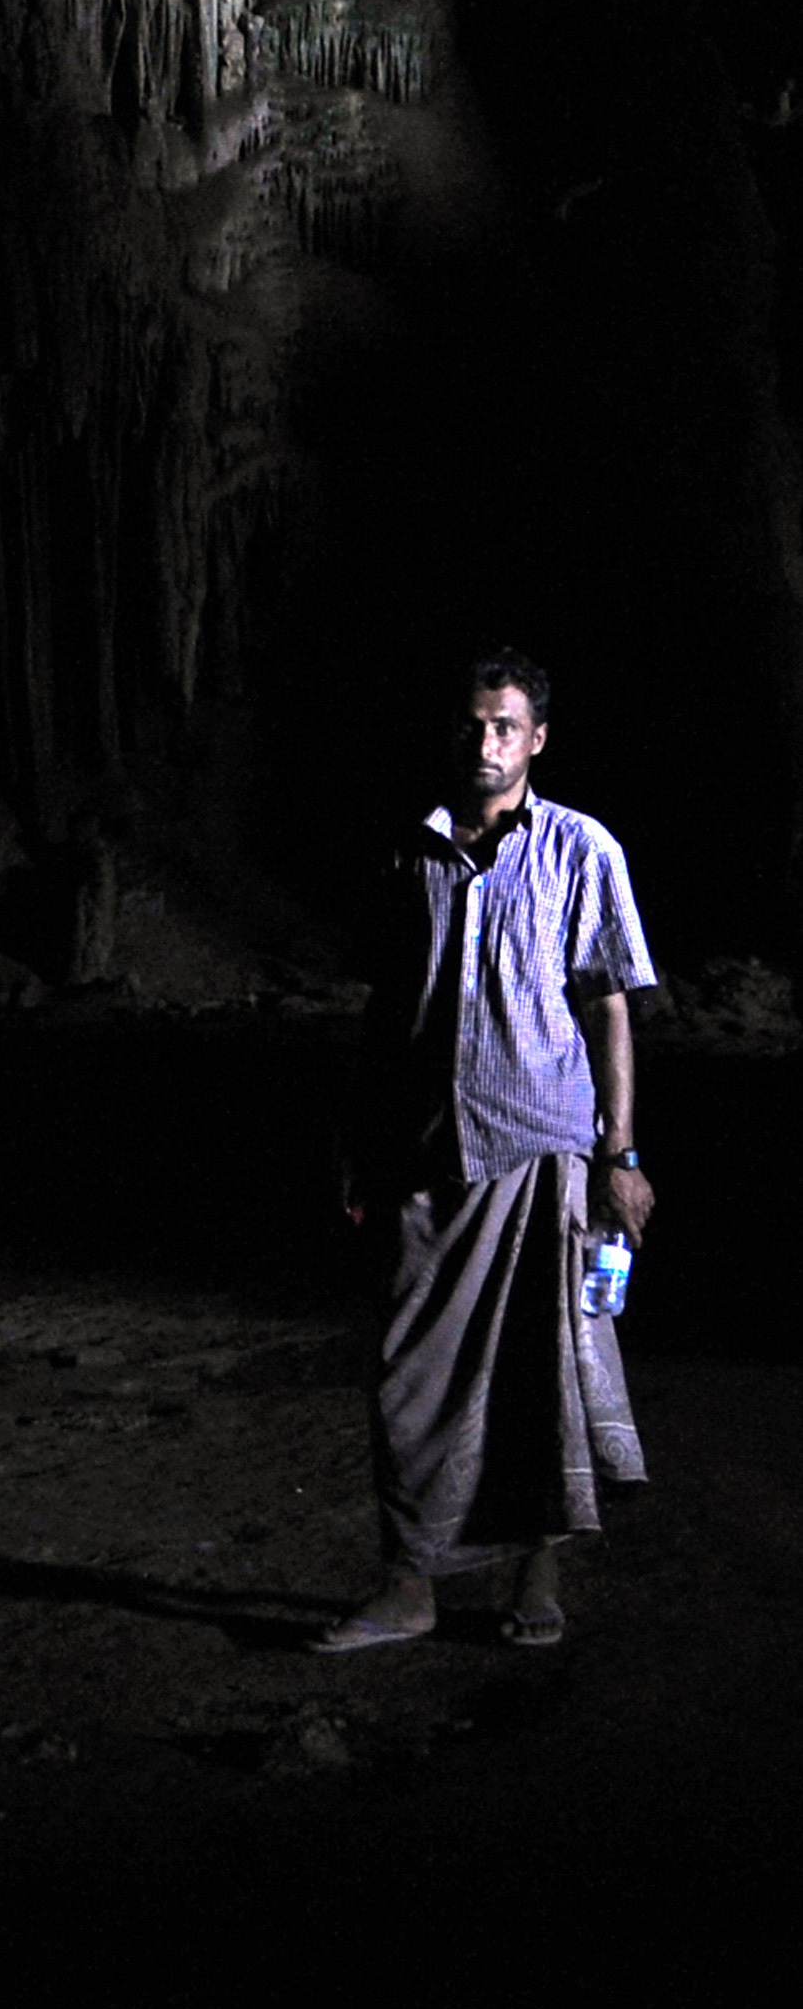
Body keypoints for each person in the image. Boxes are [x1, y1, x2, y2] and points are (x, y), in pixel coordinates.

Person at [318, 648, 658, 1651]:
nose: (486, 743)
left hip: (542, 1143)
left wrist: (621, 1153)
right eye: (473, 724)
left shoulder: (581, 849)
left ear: (538, 738)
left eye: (505, 726)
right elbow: (384, 1011)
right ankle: (409, 1584)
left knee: (538, 1376)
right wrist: (355, 1142)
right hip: (425, 1148)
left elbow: (608, 1004)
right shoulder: (406, 851)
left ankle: (535, 1580)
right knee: (407, 1373)